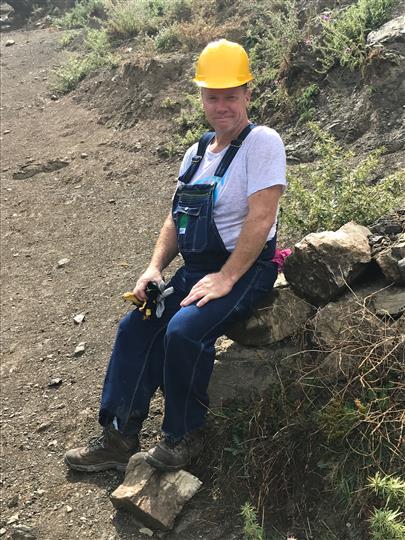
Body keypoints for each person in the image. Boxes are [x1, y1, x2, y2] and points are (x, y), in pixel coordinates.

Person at [64, 39, 287, 473]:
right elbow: (175, 219)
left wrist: (226, 278)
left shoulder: (263, 142)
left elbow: (261, 221)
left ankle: (185, 435)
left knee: (183, 333)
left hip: (245, 270)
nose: (221, 105)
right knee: (135, 326)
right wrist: (154, 268)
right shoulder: (197, 151)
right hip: (196, 270)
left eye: (230, 96)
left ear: (248, 94)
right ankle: (119, 436)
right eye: (212, 96)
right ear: (201, 97)